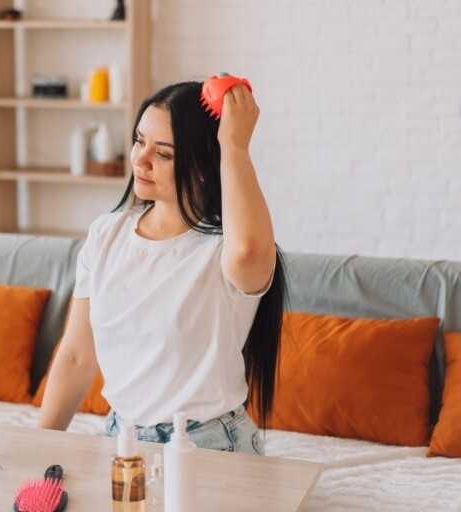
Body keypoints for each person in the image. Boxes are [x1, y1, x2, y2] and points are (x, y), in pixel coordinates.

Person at [37, 80, 286, 455]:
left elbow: (251, 251)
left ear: (203, 166)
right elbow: (76, 356)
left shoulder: (225, 250)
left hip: (209, 444)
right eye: (139, 140)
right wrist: (37, 446)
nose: (140, 159)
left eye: (164, 154)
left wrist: (234, 144)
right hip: (121, 437)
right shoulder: (105, 235)